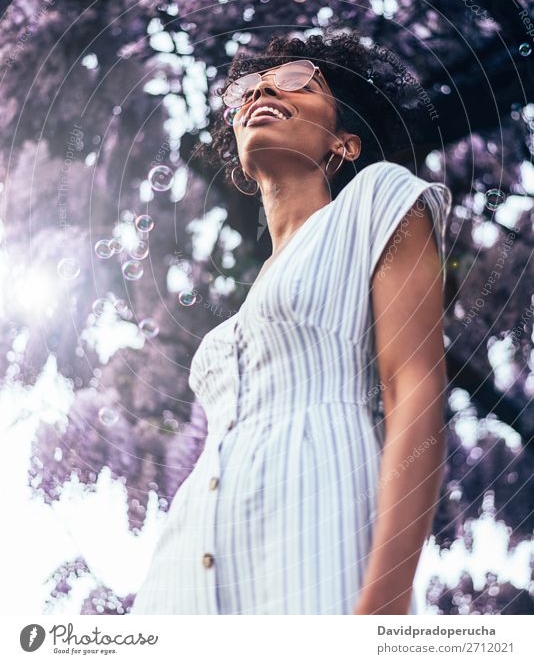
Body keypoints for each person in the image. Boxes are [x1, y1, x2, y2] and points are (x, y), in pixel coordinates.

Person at [131, 31, 452, 615]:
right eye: (248, 90)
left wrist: (383, 606)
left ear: (346, 144)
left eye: (298, 79)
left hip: (310, 527)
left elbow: (416, 386)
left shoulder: (378, 200)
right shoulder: (246, 312)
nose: (262, 92)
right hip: (182, 572)